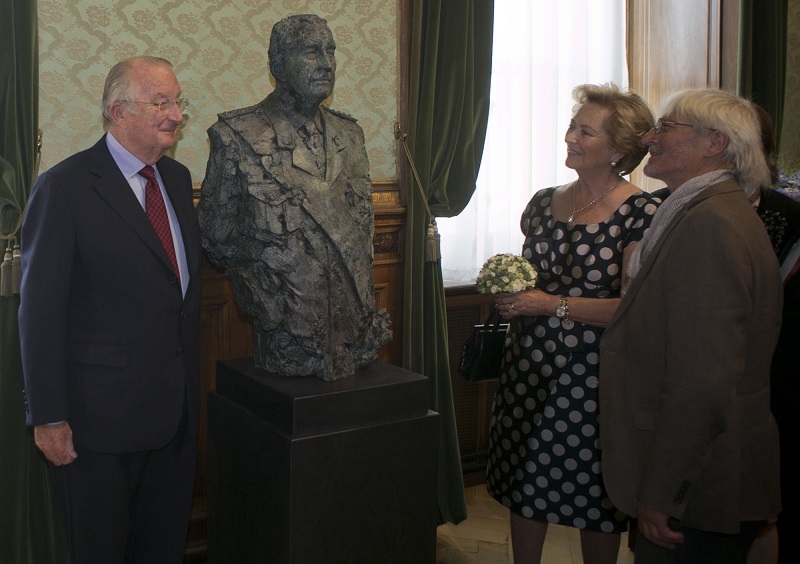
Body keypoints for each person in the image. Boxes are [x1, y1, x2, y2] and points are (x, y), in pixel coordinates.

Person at [19, 56, 202, 564]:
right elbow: (39, 314)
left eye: (177, 101)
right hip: (98, 428)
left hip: (175, 420)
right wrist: (49, 416)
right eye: (160, 103)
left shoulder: (179, 180)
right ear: (118, 111)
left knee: (162, 550)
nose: (176, 115)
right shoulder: (65, 187)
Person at [599, 88, 782, 564]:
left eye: (665, 127)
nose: (648, 137)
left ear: (714, 143)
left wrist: (663, 492)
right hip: (699, 475)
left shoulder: (711, 224)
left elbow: (702, 381)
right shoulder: (700, 209)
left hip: (701, 485)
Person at [486, 83, 661, 564]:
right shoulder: (543, 202)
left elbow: (634, 309)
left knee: (593, 495)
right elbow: (530, 281)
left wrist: (546, 304)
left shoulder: (641, 215)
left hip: (594, 377)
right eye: (572, 126)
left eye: (586, 131)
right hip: (527, 366)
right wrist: (512, 297)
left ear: (620, 149)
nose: (570, 137)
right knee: (524, 479)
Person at [197, 13, 391, 382]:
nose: (326, 63)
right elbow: (215, 242)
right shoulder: (236, 136)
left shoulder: (350, 135)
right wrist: (268, 258)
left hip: (356, 336)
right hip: (286, 336)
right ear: (277, 65)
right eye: (311, 52)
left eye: (330, 51)